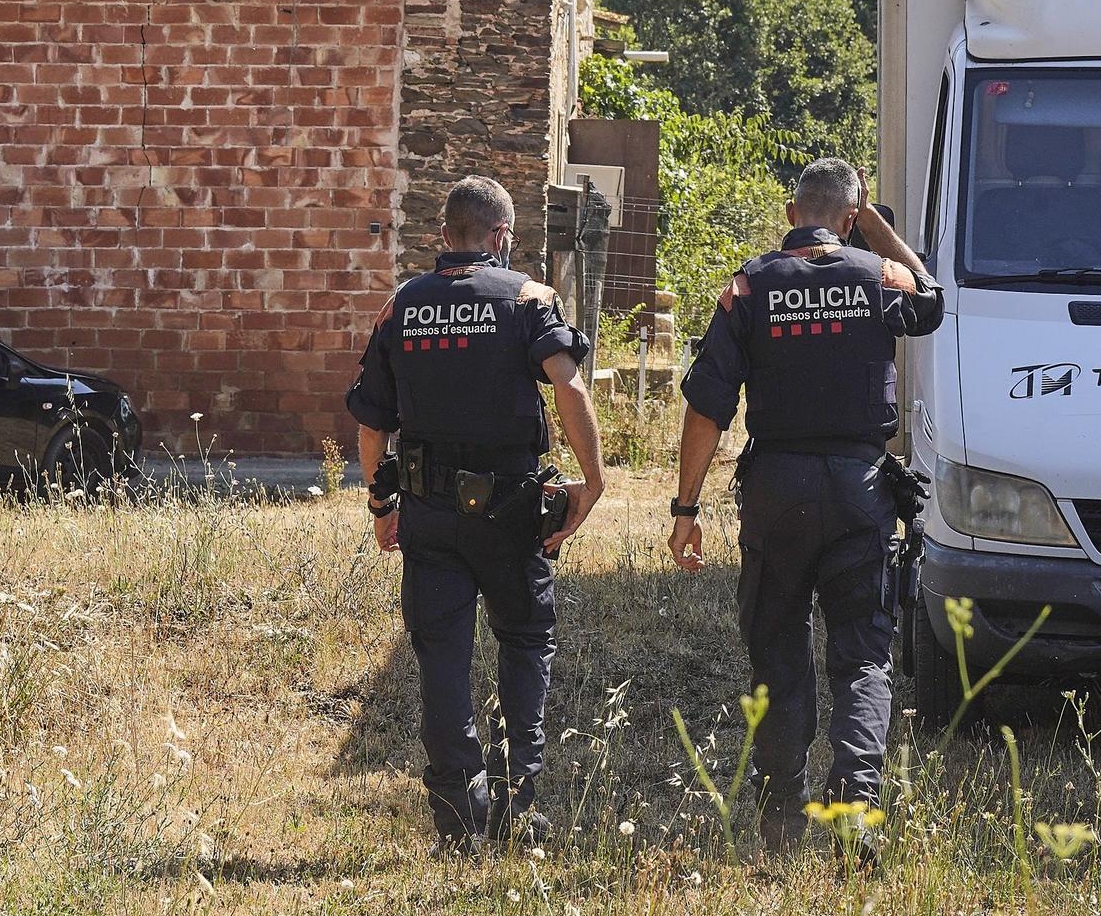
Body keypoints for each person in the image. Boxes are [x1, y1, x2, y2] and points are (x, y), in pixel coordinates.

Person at [668, 158, 944, 852]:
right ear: (850, 220)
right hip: (859, 491)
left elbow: (707, 407)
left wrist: (685, 506)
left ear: (791, 214)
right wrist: (876, 231)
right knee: (861, 661)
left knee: (779, 651)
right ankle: (855, 807)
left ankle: (782, 815)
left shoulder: (749, 286)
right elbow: (933, 300)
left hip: (776, 492)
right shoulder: (878, 277)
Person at [348, 174, 606, 853]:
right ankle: (518, 803)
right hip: (511, 512)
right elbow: (568, 385)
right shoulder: (527, 299)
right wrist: (593, 480)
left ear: (443, 237)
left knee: (440, 659)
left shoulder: (401, 304)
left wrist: (382, 502)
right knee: (523, 641)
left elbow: (370, 425)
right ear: (499, 237)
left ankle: (457, 819)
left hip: (429, 512)